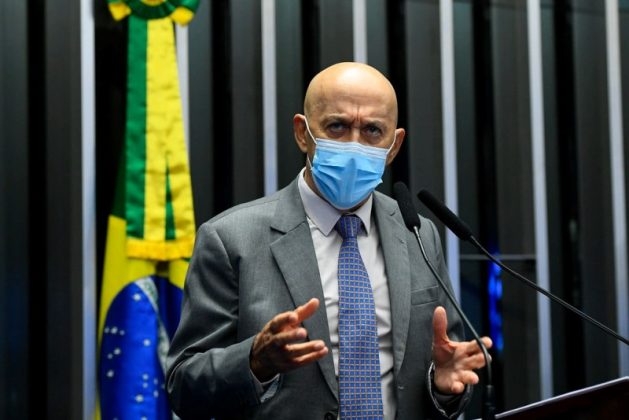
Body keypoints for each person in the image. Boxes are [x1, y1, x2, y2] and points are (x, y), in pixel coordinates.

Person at [166, 62, 492, 419]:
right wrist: (255, 361)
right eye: (337, 126)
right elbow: (183, 386)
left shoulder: (417, 233)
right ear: (302, 133)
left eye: (372, 130)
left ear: (394, 145)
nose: (354, 145)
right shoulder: (231, 239)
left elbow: (448, 361)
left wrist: (442, 386)